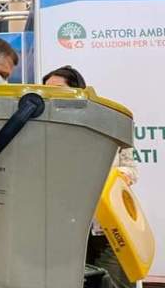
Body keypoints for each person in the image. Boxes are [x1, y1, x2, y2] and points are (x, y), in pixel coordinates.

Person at [43, 66, 138, 288]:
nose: (50, 94)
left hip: (109, 230)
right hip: (67, 230)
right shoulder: (44, 130)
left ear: (79, 91)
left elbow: (130, 169)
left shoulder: (110, 124)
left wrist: (111, 179)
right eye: (45, 89)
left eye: (57, 88)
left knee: (115, 282)